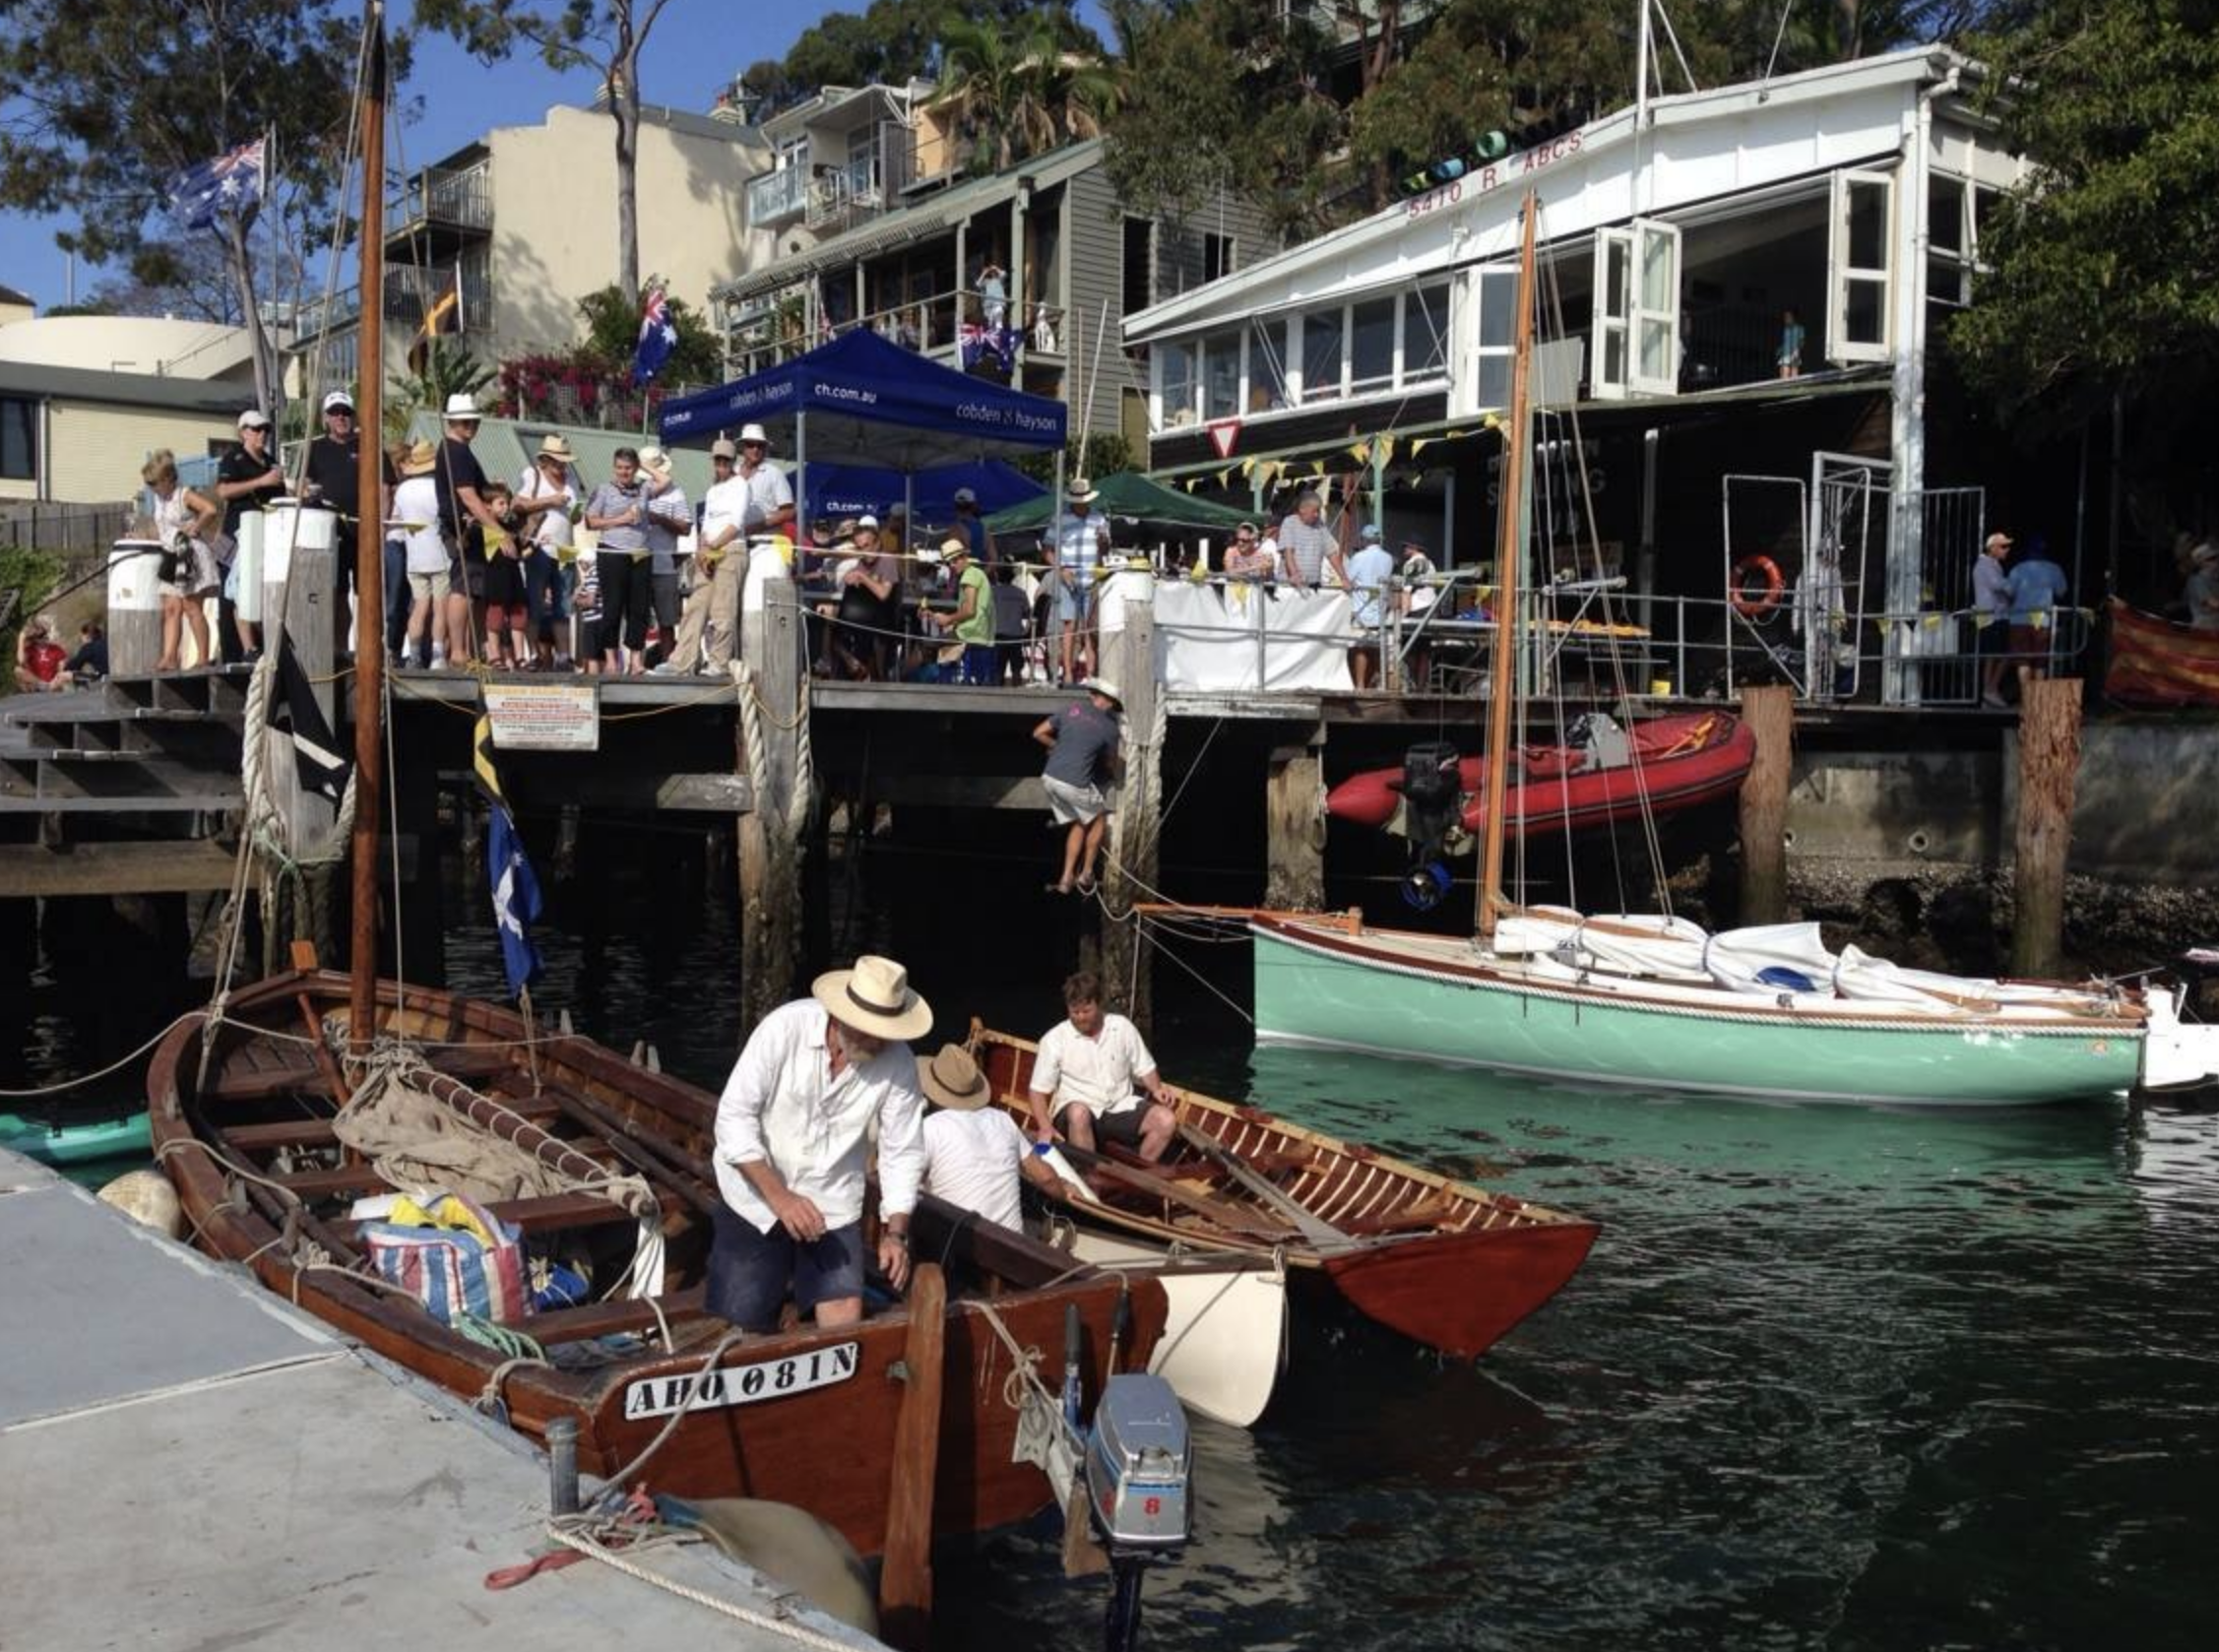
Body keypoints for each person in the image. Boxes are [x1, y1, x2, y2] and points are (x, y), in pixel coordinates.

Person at [709, 955, 931, 1332]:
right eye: (867, 1030)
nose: (877, 1041)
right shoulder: (783, 1028)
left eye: (885, 1032)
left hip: (834, 1198)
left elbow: (903, 1150)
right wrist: (781, 1198)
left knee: (845, 1315)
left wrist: (895, 1233)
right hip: (755, 1198)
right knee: (744, 1318)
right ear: (840, 1016)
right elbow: (733, 1119)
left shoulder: (900, 1062)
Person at [919, 1044, 1086, 1235]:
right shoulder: (1003, 1119)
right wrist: (1064, 1191)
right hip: (1011, 1244)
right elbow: (1046, 1178)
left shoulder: (929, 1127)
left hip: (961, 1245)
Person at [1025, 971, 1179, 1164]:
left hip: (1119, 1105)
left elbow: (1144, 1066)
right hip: (1076, 1112)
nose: (1081, 1017)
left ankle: (1135, 1177)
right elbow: (1037, 1091)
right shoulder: (1054, 1040)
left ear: (1098, 1004)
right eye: (1075, 1012)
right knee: (1078, 1113)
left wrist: (1157, 1088)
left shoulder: (1122, 1027)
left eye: (1086, 1011)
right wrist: (1045, 1126)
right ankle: (1089, 1179)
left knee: (1166, 1120)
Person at [301, 388, 393, 656]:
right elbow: (302, 487)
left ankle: (372, 647)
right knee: (337, 592)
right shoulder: (315, 448)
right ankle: (340, 649)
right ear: (326, 418)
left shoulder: (370, 445)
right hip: (330, 532)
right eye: (335, 413)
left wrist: (381, 526)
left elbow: (385, 488)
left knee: (369, 592)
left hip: (366, 532)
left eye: (345, 412)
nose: (340, 417)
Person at [432, 394, 507, 667]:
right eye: (466, 421)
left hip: (467, 526)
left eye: (474, 421)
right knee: (463, 586)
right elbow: (468, 496)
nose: (471, 425)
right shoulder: (457, 451)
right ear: (453, 421)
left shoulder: (457, 450)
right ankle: (458, 652)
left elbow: (476, 494)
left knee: (473, 589)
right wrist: (498, 530)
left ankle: (468, 650)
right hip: (461, 526)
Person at [1033, 676, 1121, 896]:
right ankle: (1086, 873)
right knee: (1099, 818)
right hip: (1073, 782)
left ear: (1095, 697)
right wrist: (1114, 772)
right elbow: (1110, 763)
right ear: (1109, 702)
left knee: (1080, 822)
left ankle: (1065, 879)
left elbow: (1037, 733)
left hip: (1050, 777)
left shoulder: (1070, 709)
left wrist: (1058, 746)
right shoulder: (1110, 728)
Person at [215, 409, 285, 660]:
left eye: (265, 429)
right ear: (243, 432)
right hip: (237, 534)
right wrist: (260, 482)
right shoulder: (232, 459)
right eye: (257, 429)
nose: (262, 434)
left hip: (266, 534)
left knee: (262, 589)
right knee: (237, 590)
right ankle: (246, 648)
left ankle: (264, 645)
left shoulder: (270, 462)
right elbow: (223, 491)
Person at [142, 450, 221, 670]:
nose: (152, 487)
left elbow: (210, 509)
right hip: (170, 554)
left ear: (167, 479)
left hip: (189, 555)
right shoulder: (159, 499)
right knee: (170, 608)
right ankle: (169, 657)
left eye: (155, 483)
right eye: (149, 484)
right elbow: (162, 528)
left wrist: (194, 528)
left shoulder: (183, 494)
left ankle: (203, 657)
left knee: (191, 607)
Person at [583, 446, 653, 674]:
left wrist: (644, 466)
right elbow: (591, 522)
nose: (624, 472)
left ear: (636, 468)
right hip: (612, 551)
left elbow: (667, 480)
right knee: (612, 607)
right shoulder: (603, 489)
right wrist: (622, 519)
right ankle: (611, 660)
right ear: (614, 468)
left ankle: (635, 660)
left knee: (639, 609)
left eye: (628, 468)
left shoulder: (644, 488)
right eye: (620, 468)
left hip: (640, 553)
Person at [515, 435, 579, 669]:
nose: (562, 467)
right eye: (557, 462)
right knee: (535, 602)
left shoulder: (571, 479)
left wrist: (577, 514)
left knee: (563, 605)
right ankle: (534, 655)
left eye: (564, 462)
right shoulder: (532, 475)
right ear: (545, 460)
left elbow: (573, 513)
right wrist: (550, 500)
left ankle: (563, 656)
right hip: (538, 547)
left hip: (564, 548)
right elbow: (517, 504)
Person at [392, 440, 450, 668]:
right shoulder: (438, 488)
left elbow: (396, 519)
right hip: (439, 554)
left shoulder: (403, 490)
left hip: (415, 556)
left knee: (419, 607)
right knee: (440, 607)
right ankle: (437, 655)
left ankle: (414, 655)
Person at [1053, 477, 1110, 684]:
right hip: (1068, 577)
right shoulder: (1060, 518)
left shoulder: (1099, 518)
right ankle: (1068, 674)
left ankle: (1090, 675)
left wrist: (1103, 543)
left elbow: (1105, 551)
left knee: (1089, 628)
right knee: (1070, 626)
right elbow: (1047, 549)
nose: (1081, 502)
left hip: (1092, 579)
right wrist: (1061, 570)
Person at [829, 516, 900, 680]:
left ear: (877, 543)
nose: (864, 551)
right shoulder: (863, 562)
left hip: (884, 620)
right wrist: (850, 577)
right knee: (833, 632)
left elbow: (883, 594)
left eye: (867, 546)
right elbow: (849, 580)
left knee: (870, 637)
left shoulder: (887, 561)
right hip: (863, 620)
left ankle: (871, 674)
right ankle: (854, 666)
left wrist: (862, 577)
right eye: (860, 548)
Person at [925, 536, 997, 685]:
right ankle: (943, 678)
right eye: (949, 562)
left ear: (965, 557)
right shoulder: (977, 573)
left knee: (926, 644)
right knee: (941, 641)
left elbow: (970, 610)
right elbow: (969, 609)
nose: (952, 565)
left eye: (955, 560)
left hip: (972, 632)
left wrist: (948, 619)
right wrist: (945, 618)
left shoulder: (969, 575)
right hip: (979, 631)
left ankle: (920, 680)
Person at [477, 481, 532, 668]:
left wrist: (527, 541)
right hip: (495, 576)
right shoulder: (482, 526)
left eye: (507, 503)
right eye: (501, 503)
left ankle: (519, 656)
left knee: (519, 614)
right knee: (496, 614)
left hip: (513, 575)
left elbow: (518, 552)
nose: (506, 507)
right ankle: (494, 655)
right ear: (487, 506)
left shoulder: (511, 524)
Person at [2005, 533, 2069, 687]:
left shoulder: (2017, 569)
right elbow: (2062, 591)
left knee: (2023, 662)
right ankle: (2037, 702)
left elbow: (2008, 593)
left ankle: (2026, 701)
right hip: (2043, 621)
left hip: (2018, 620)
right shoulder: (2054, 569)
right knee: (2040, 663)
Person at [1345, 524, 1397, 690]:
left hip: (1361, 608)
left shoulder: (1359, 557)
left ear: (1364, 540)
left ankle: (1359, 685)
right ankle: (1379, 684)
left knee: (1361, 648)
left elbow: (1348, 580)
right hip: (1380, 609)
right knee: (1376, 648)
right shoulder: (1388, 558)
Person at [1973, 530, 2013, 708]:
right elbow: (1999, 585)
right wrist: (2016, 586)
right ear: (1992, 548)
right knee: (2006, 653)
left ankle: (1987, 693)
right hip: (1994, 615)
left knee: (1992, 655)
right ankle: (1991, 688)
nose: (2007, 550)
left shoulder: (1992, 565)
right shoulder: (1986, 566)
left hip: (1993, 615)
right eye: (2003, 546)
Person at [1398, 538, 1439, 691]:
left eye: (1406, 546)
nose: (1404, 549)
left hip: (1416, 610)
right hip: (1430, 608)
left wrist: (1402, 615)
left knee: (1408, 648)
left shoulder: (1411, 563)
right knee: (1424, 650)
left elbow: (1406, 592)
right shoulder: (1431, 564)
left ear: (1414, 547)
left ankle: (1414, 682)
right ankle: (1421, 686)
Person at [1274, 490, 1336, 589]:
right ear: (1302, 509)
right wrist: (1294, 575)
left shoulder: (1320, 525)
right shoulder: (1290, 522)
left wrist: (1344, 578)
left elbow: (1332, 553)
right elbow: (1288, 552)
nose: (1317, 514)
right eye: (1314, 511)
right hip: (1290, 587)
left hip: (1313, 585)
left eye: (1318, 511)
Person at [991, 562, 1031, 684]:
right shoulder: (1021, 593)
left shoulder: (993, 591)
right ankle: (1017, 695)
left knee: (998, 670)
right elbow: (1027, 613)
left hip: (999, 634)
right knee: (1016, 670)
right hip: (1015, 635)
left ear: (997, 575)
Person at [13, 613, 68, 693]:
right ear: (34, 638)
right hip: (37, 685)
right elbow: (20, 661)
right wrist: (21, 638)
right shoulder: (30, 650)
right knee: (17, 670)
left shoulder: (56, 649)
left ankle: (47, 687)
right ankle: (42, 686)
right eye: (40, 636)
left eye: (45, 635)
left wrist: (55, 683)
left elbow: (61, 670)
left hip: (53, 684)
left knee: (65, 675)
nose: (44, 638)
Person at [950, 485, 996, 567]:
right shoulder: (984, 528)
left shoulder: (955, 529)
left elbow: (954, 560)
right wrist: (981, 574)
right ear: (973, 505)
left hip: (964, 577)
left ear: (956, 506)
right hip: (981, 576)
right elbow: (994, 559)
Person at [2186, 542, 2219, 632]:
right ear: (2201, 563)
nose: (2216, 561)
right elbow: (2213, 603)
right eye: (2211, 559)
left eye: (2216, 557)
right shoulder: (2197, 580)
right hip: (2204, 625)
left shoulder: (2215, 578)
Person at [62, 620, 107, 684]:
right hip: (116, 676)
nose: (81, 639)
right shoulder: (106, 642)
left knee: (65, 675)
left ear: (87, 636)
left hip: (102, 678)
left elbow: (73, 665)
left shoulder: (89, 647)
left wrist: (65, 667)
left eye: (82, 636)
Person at [978, 261, 1008, 332]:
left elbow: (1004, 274)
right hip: (989, 304)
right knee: (990, 321)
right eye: (991, 272)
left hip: (998, 303)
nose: (992, 273)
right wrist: (984, 273)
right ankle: (992, 332)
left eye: (993, 272)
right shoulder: (986, 281)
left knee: (998, 313)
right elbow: (978, 284)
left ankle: (998, 331)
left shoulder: (999, 279)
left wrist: (995, 268)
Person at [1777, 308, 1806, 380]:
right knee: (1784, 372)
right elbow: (1784, 342)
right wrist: (1780, 350)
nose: (1786, 319)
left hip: (1795, 353)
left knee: (1794, 373)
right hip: (1785, 354)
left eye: (1788, 317)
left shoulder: (1799, 328)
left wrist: (1797, 350)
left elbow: (1801, 341)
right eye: (1785, 317)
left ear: (1793, 318)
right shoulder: (1785, 329)